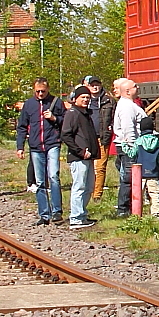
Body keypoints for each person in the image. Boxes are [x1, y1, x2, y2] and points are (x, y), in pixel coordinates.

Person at [15, 78, 65, 226]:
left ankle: (57, 211)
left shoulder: (56, 103)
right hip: (36, 146)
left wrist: (54, 118)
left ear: (48, 89)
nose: (41, 94)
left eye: (43, 91)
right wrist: (20, 146)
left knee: (54, 176)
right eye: (38, 91)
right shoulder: (29, 104)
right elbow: (22, 126)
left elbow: (66, 120)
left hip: (52, 143)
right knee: (40, 181)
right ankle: (44, 214)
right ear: (34, 90)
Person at [60, 85, 99, 229]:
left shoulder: (85, 113)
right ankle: (76, 218)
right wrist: (79, 151)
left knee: (89, 187)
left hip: (88, 157)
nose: (85, 100)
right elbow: (66, 135)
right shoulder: (72, 113)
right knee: (79, 186)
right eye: (82, 97)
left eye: (88, 97)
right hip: (78, 158)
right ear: (75, 99)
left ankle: (82, 215)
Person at [112, 78, 146, 218]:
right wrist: (133, 146)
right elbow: (128, 128)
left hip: (126, 145)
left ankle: (128, 207)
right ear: (127, 91)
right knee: (129, 177)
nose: (137, 87)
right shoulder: (126, 107)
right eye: (134, 86)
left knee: (128, 177)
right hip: (128, 146)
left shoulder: (127, 104)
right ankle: (123, 209)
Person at [124, 116, 159, 217]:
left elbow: (132, 154)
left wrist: (124, 145)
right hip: (154, 173)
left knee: (138, 195)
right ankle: (156, 214)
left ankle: (137, 214)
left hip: (140, 174)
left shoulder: (138, 142)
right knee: (155, 194)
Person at [83, 76, 114, 201]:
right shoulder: (84, 100)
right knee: (87, 167)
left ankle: (97, 195)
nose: (95, 87)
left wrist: (111, 127)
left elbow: (114, 117)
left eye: (97, 84)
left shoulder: (109, 101)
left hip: (103, 137)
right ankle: (87, 191)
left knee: (100, 167)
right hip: (87, 138)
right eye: (92, 85)